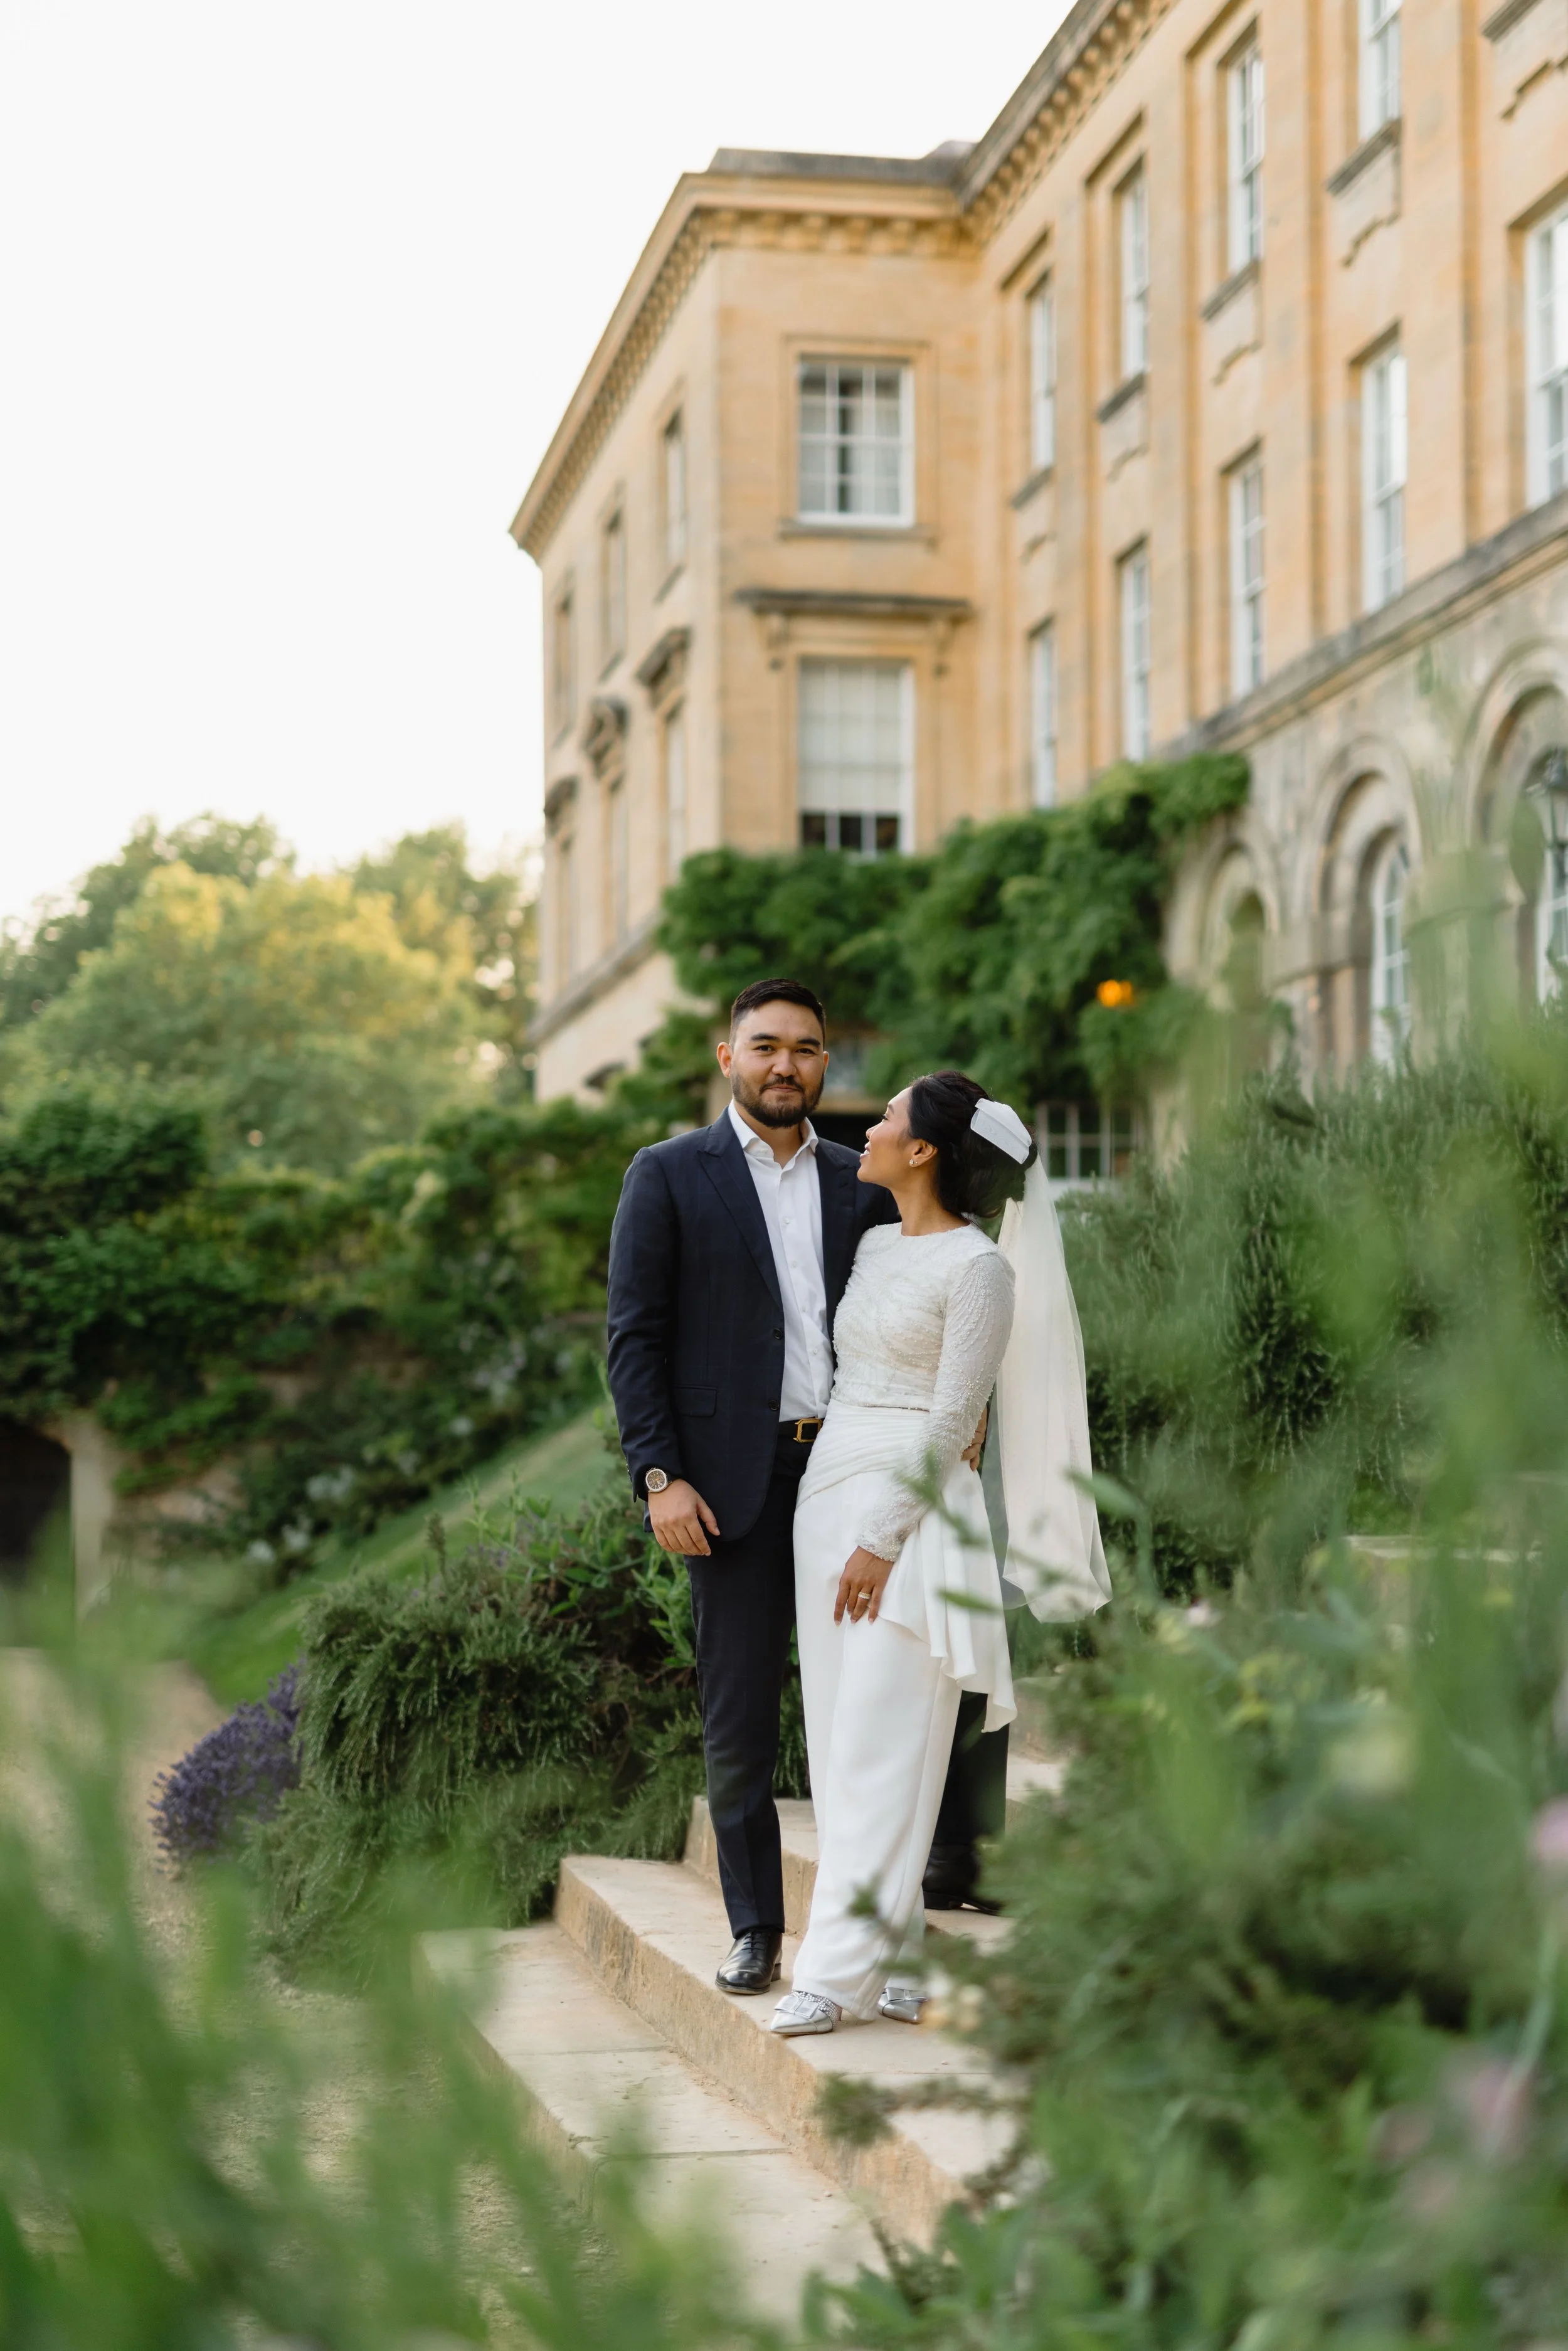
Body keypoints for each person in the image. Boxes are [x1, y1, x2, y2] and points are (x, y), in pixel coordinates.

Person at [605, 983, 990, 1998]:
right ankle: (754, 1929)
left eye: (807, 1049)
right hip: (725, 1488)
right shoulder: (666, 1176)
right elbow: (633, 1341)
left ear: (826, 1065)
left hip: (849, 1480)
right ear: (727, 1055)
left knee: (882, 1698)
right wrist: (659, 1477)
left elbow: (938, 1286)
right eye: (766, 1046)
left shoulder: (861, 1176)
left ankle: (919, 1893)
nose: (787, 1065)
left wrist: (971, 1417)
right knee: (738, 1713)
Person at [768, 1071, 1111, 2036]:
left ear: (922, 1151)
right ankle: (899, 1952)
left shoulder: (981, 1271)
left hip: (909, 1523)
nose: (869, 1126)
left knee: (885, 1746)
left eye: (886, 1118)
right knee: (840, 1750)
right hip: (826, 1500)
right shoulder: (875, 1244)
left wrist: (883, 1538)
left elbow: (954, 1415)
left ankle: (832, 1974)